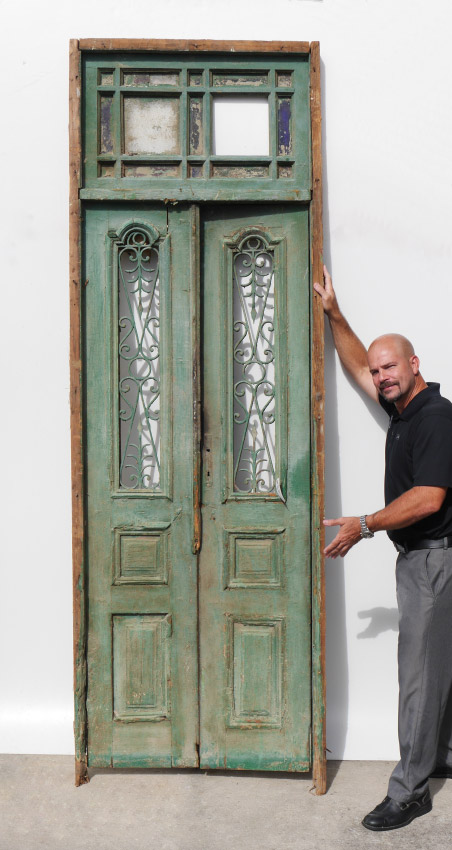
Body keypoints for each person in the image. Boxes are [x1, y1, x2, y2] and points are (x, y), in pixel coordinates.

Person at [314, 266, 452, 831]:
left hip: (431, 558)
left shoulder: (436, 419)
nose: (381, 377)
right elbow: (354, 364)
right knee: (437, 670)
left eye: (391, 366)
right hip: (423, 558)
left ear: (415, 364)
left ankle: (410, 791)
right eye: (378, 371)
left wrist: (365, 524)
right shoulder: (404, 409)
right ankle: (439, 757)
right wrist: (335, 314)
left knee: (418, 676)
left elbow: (427, 497)